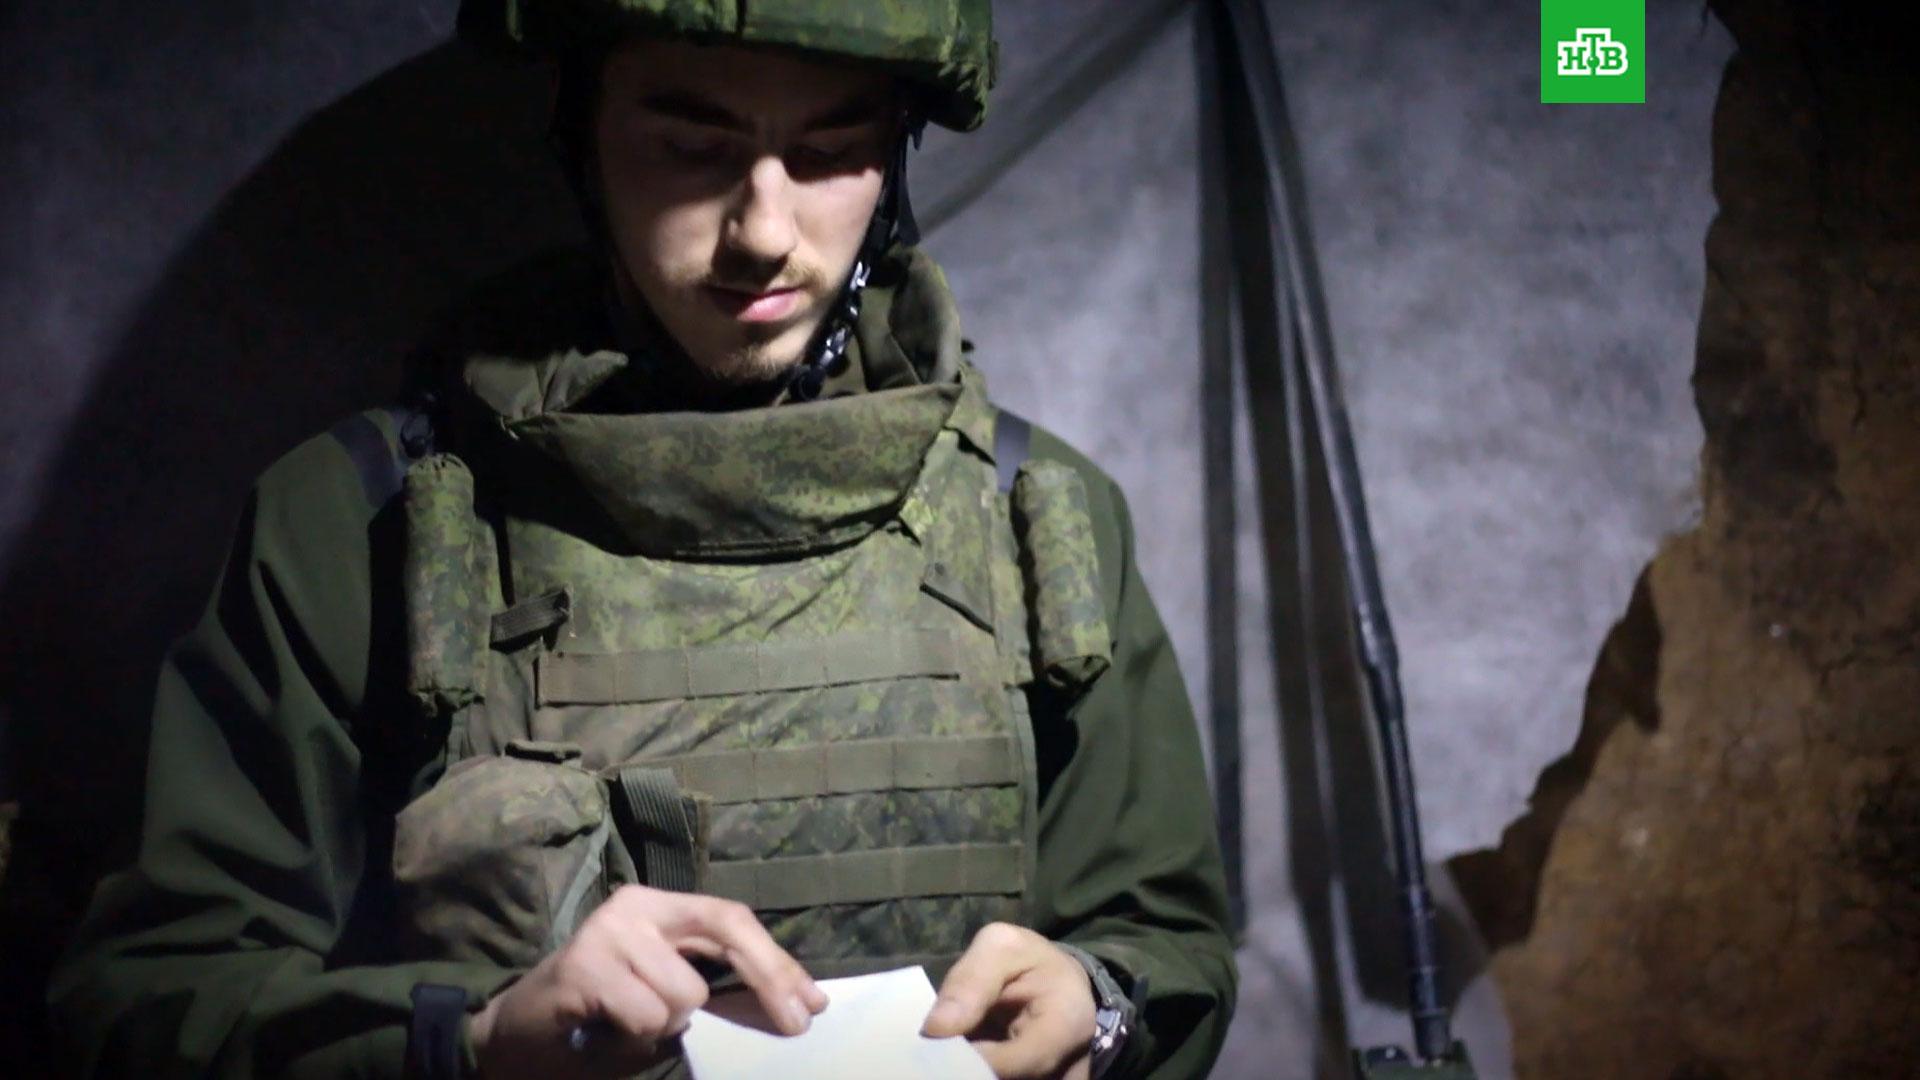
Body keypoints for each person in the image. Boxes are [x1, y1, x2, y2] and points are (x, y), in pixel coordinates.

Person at [48, 3, 1238, 1078]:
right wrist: (474, 1041)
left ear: (897, 158)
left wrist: (1102, 1005)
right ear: (584, 138)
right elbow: (143, 1001)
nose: (763, 232)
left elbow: (1166, 940)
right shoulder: (363, 521)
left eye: (830, 151)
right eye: (690, 147)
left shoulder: (1037, 514)